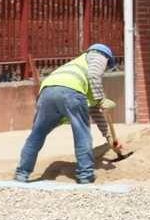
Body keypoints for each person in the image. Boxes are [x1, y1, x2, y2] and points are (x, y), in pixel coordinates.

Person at [14, 43, 119, 184]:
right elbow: (94, 74)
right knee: (82, 133)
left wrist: (109, 137)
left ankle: (22, 173)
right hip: (71, 92)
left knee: (37, 134)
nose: (105, 68)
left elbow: (95, 111)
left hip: (47, 92)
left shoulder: (75, 66)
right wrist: (101, 98)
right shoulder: (99, 54)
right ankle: (85, 175)